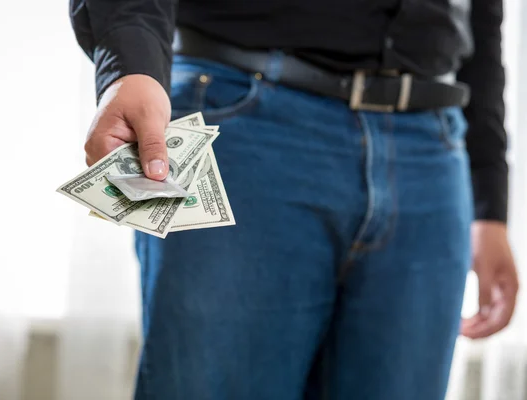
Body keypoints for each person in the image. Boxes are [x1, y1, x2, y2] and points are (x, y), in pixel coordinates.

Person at [69, 1, 519, 399]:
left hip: (431, 148)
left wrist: (489, 204)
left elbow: (484, 15)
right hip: (243, 120)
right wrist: (130, 65)